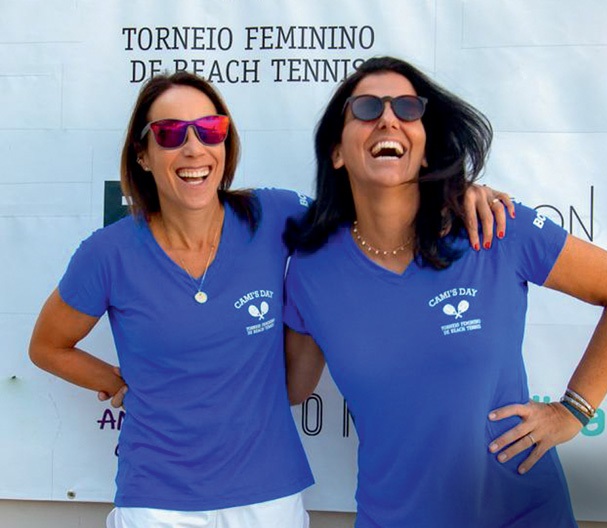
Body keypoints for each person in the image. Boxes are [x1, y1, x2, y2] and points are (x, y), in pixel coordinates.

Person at [28, 70, 510, 528]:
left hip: (268, 496)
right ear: (142, 154)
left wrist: (456, 191)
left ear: (226, 142)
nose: (194, 147)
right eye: (171, 133)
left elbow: (376, 205)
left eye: (210, 129)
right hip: (155, 500)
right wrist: (119, 381)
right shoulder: (107, 253)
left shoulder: (272, 215)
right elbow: (47, 346)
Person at [283, 56, 607, 527]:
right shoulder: (311, 272)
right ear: (337, 151)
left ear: (425, 145)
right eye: (368, 108)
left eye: (408, 108)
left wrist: (572, 412)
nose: (389, 118)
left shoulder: (493, 228)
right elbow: (293, 387)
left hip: (522, 516)